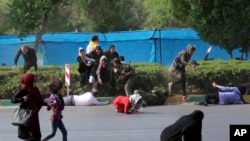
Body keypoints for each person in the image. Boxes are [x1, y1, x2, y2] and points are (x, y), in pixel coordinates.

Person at [11, 73, 46, 141]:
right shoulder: (24, 90)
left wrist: (48, 104)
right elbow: (13, 99)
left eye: (36, 81)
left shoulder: (35, 90)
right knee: (29, 137)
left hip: (34, 116)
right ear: (29, 81)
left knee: (37, 136)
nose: (35, 83)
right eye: (34, 81)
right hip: (26, 116)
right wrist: (22, 99)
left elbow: (39, 100)